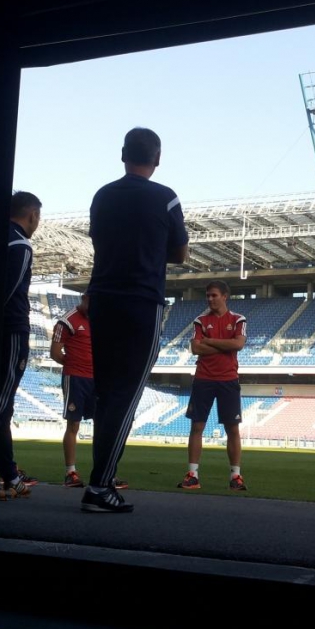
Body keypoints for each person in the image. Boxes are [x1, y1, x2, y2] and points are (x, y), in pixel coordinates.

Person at [80, 127, 189, 513]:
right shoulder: (166, 197)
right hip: (141, 302)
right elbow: (180, 253)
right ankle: (99, 486)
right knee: (125, 397)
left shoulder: (102, 196)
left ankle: (101, 481)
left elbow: (99, 241)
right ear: (157, 159)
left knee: (107, 395)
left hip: (103, 299)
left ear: (123, 154)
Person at [0, 191, 43, 501]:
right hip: (10, 331)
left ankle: (9, 474)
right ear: (32, 215)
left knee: (4, 406)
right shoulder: (20, 244)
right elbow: (7, 291)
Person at [177, 280, 248, 491]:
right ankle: (192, 475)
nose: (210, 299)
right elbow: (195, 349)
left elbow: (238, 344)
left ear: (225, 296)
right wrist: (225, 345)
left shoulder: (238, 319)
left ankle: (236, 476)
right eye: (208, 295)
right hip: (203, 379)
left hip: (228, 379)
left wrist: (210, 341)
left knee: (232, 428)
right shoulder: (200, 320)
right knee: (197, 427)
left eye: (214, 295)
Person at [49, 302, 128, 491]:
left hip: (98, 379)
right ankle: (71, 473)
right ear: (84, 298)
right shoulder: (67, 321)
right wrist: (75, 365)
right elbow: (55, 353)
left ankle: (104, 473)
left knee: (101, 426)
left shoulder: (101, 320)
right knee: (73, 425)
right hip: (75, 378)